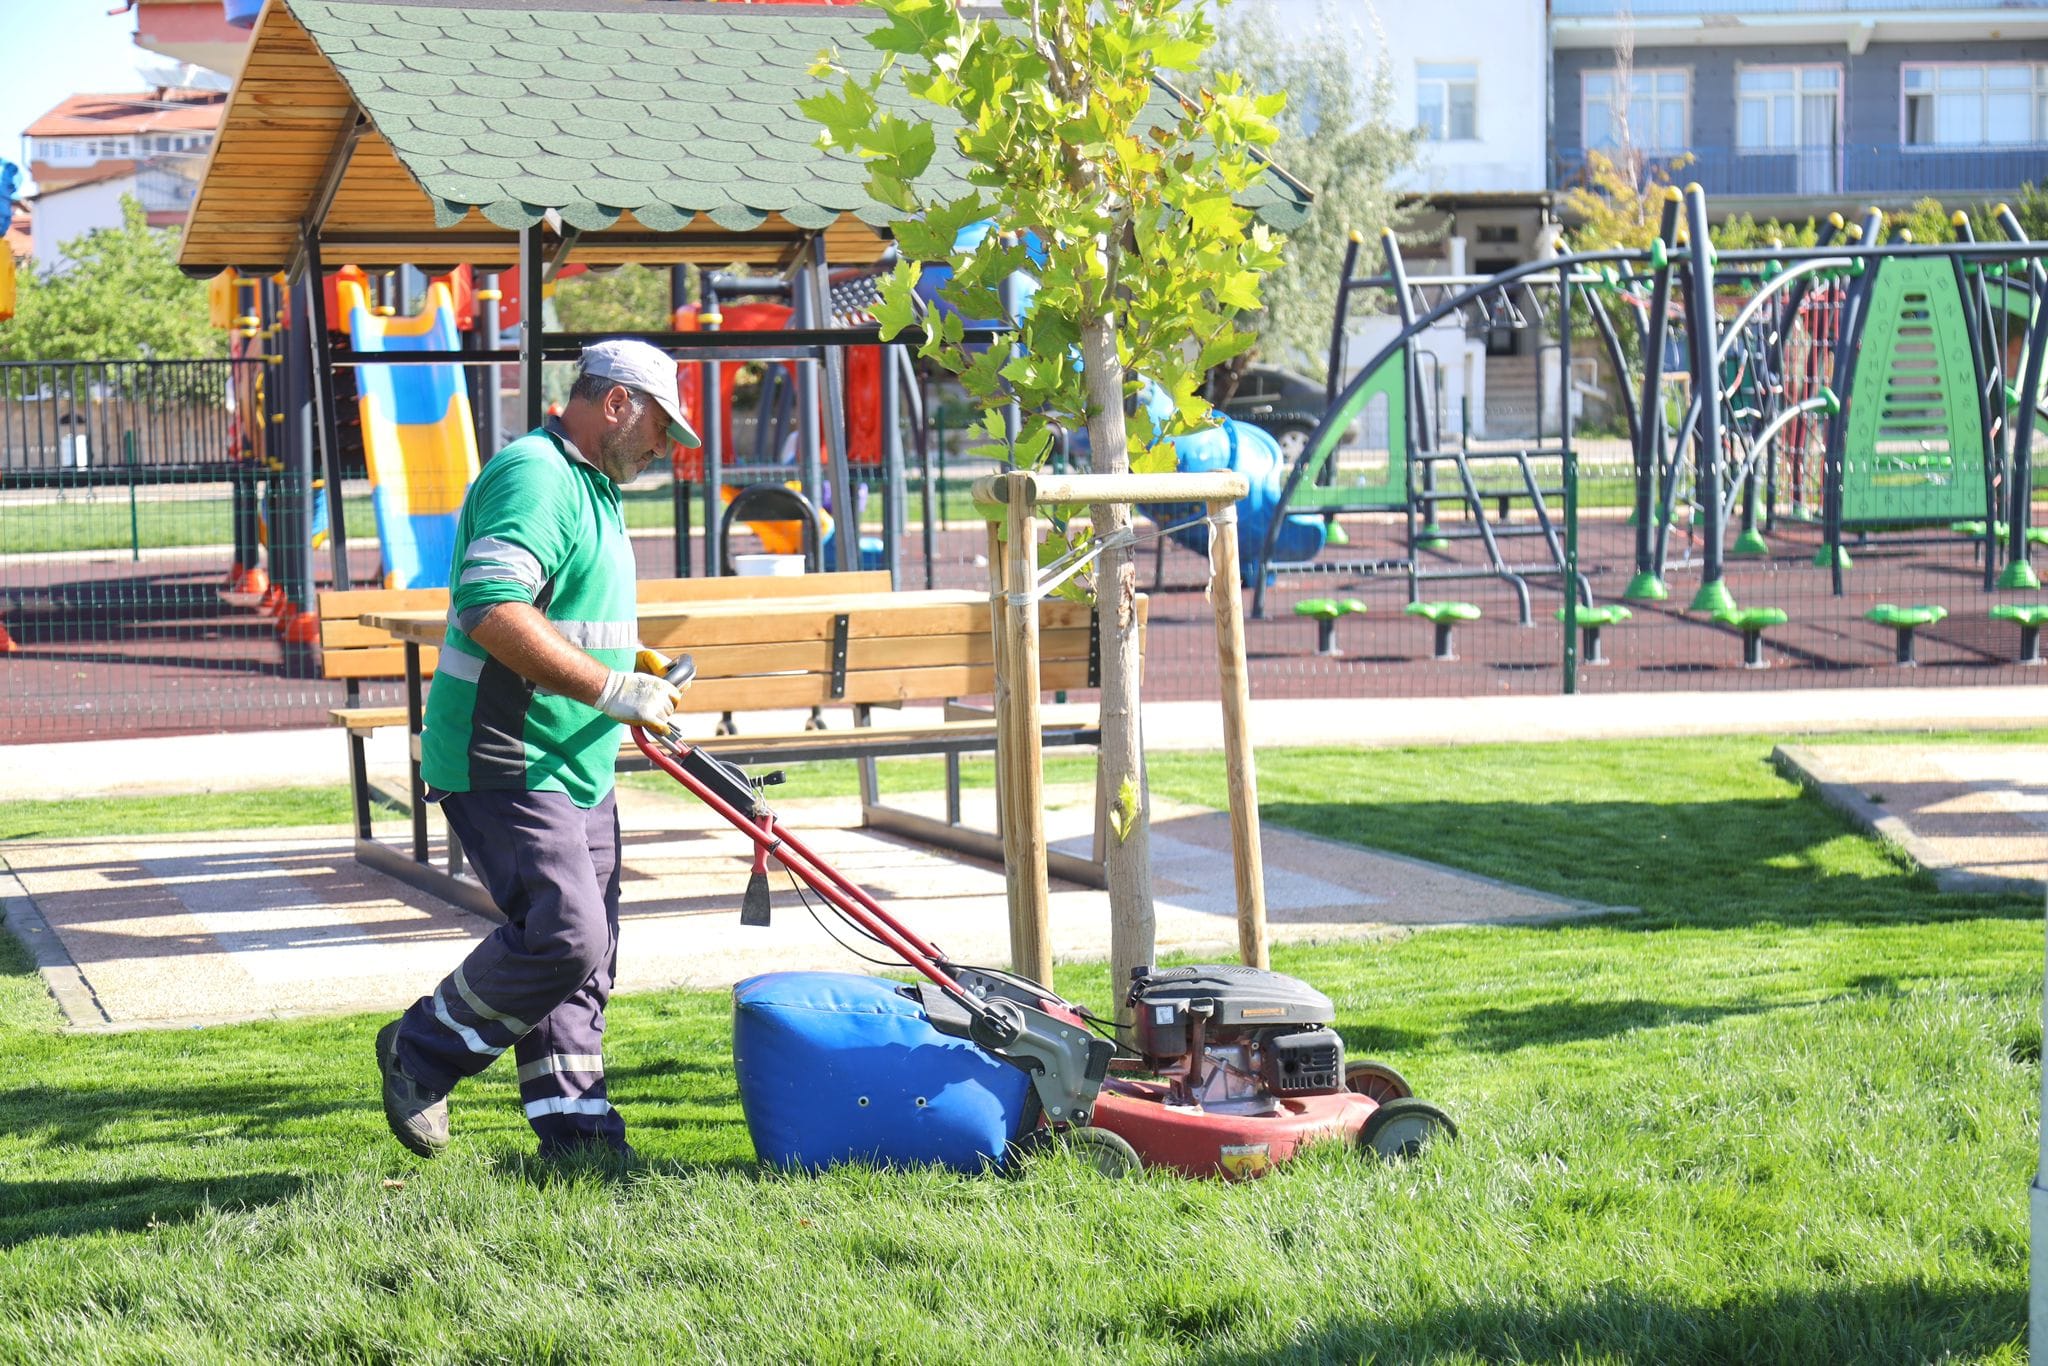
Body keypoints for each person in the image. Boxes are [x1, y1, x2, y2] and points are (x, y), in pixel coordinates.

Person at [374, 339, 699, 1162]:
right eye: (663, 427)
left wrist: (633, 667)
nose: (666, 448)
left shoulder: (591, 486)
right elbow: (492, 608)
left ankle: (578, 1135)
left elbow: (565, 613)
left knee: (587, 957)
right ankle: (421, 1050)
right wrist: (610, 689)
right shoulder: (537, 475)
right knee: (564, 933)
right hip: (506, 753)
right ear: (617, 403)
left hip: (572, 760)